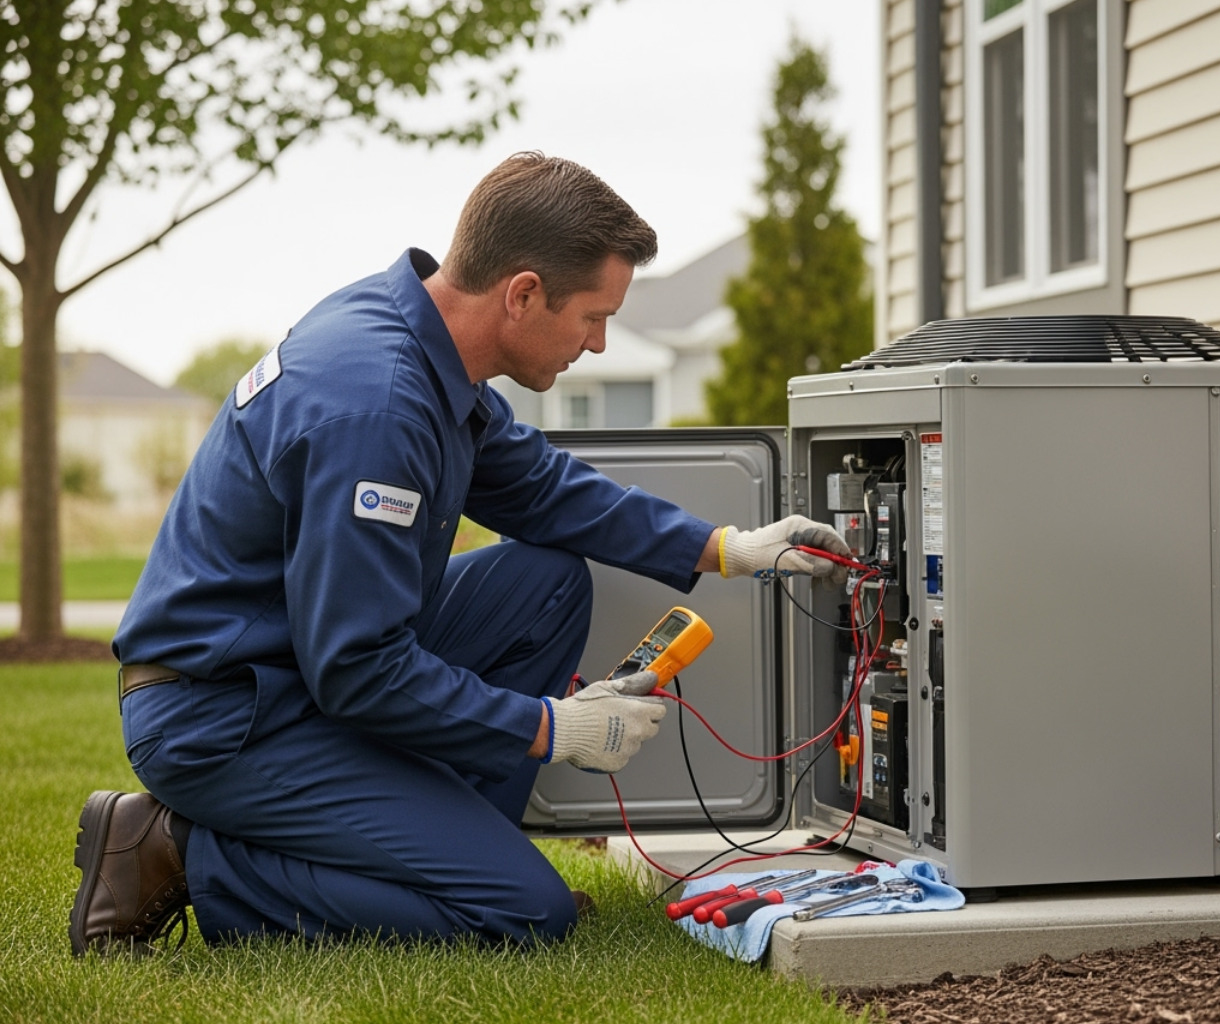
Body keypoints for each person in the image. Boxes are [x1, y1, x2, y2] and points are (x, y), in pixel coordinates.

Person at [69, 152, 849, 955]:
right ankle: (179, 852)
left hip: (289, 668)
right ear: (522, 294)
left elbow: (543, 490)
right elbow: (356, 668)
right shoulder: (376, 407)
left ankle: (458, 854)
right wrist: (550, 728)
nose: (601, 343)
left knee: (544, 583)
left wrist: (728, 548)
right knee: (522, 916)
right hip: (224, 715)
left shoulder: (423, 344)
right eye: (592, 316)